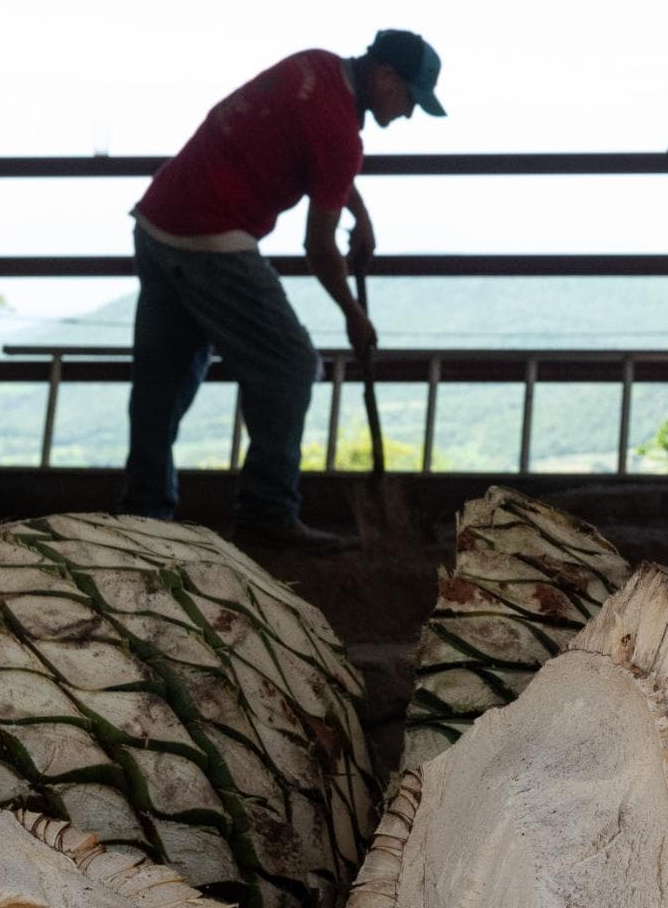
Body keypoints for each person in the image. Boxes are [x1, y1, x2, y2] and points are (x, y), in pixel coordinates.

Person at [120, 30, 446, 551]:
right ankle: (267, 514)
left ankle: (143, 519)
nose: (407, 114)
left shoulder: (313, 66)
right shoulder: (342, 132)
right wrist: (352, 316)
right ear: (385, 76)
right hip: (212, 236)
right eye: (410, 98)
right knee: (291, 366)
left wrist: (358, 213)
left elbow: (325, 152)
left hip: (157, 220)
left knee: (161, 383)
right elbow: (318, 248)